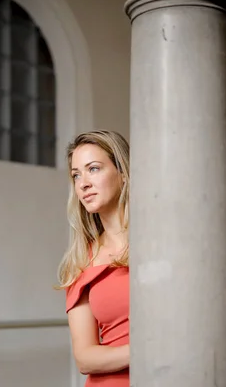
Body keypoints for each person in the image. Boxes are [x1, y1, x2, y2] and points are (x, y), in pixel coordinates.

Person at [56, 130, 130, 386]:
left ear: (123, 173)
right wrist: (145, 350)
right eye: (76, 175)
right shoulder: (80, 260)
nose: (83, 183)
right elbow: (85, 358)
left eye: (93, 169)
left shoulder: (162, 244)